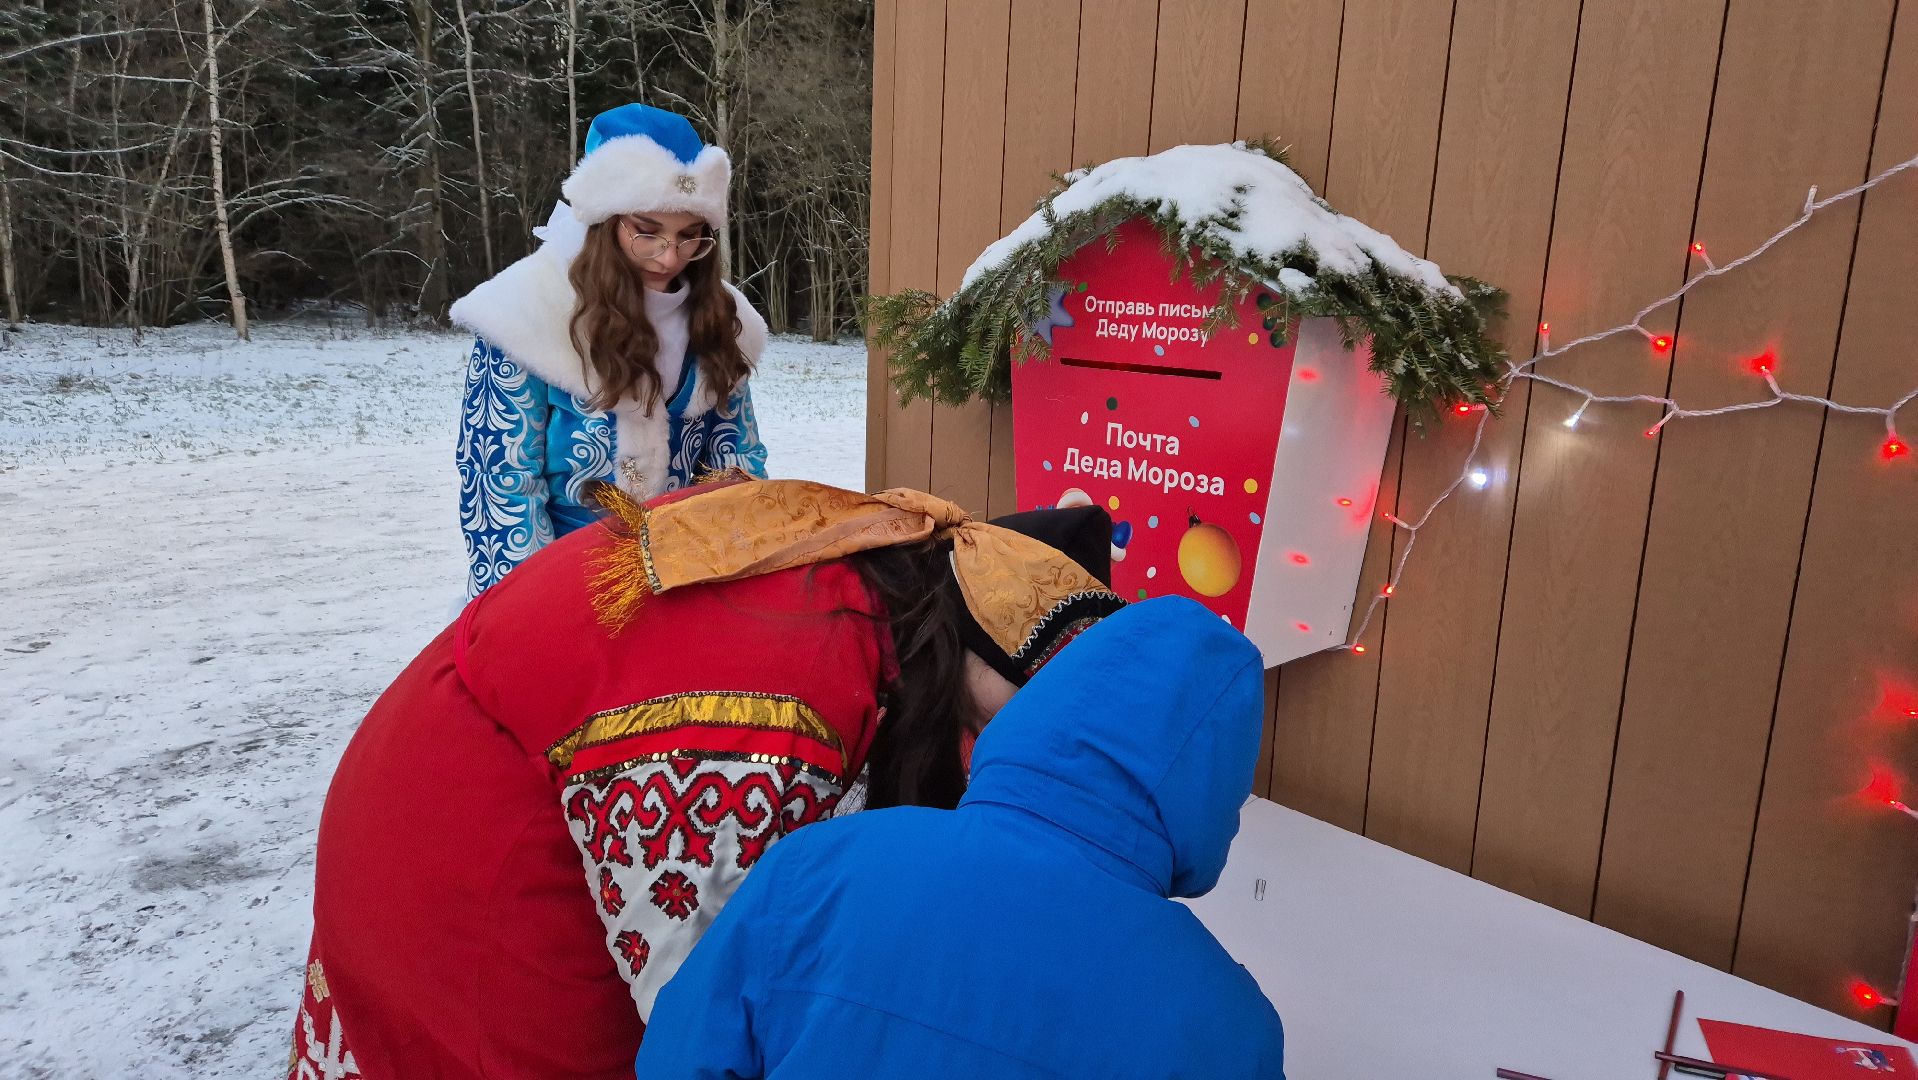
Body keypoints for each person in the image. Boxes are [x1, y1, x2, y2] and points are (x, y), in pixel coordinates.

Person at [285, 477, 1126, 1080]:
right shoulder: (770, 703)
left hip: (471, 773)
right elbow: (712, 1003)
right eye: (1012, 726)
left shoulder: (876, 560)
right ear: (979, 655)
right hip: (473, 880)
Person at [634, 595, 1287, 1079]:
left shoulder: (821, 868)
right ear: (1212, 793)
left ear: (1047, 706)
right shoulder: (1229, 1027)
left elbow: (679, 1058)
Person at [453, 103, 770, 598]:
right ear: (604, 220)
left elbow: (738, 468)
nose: (670, 257)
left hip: (687, 592)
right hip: (560, 592)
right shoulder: (524, 314)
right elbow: (502, 489)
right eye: (647, 232)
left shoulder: (723, 320)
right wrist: (534, 615)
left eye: (691, 236)